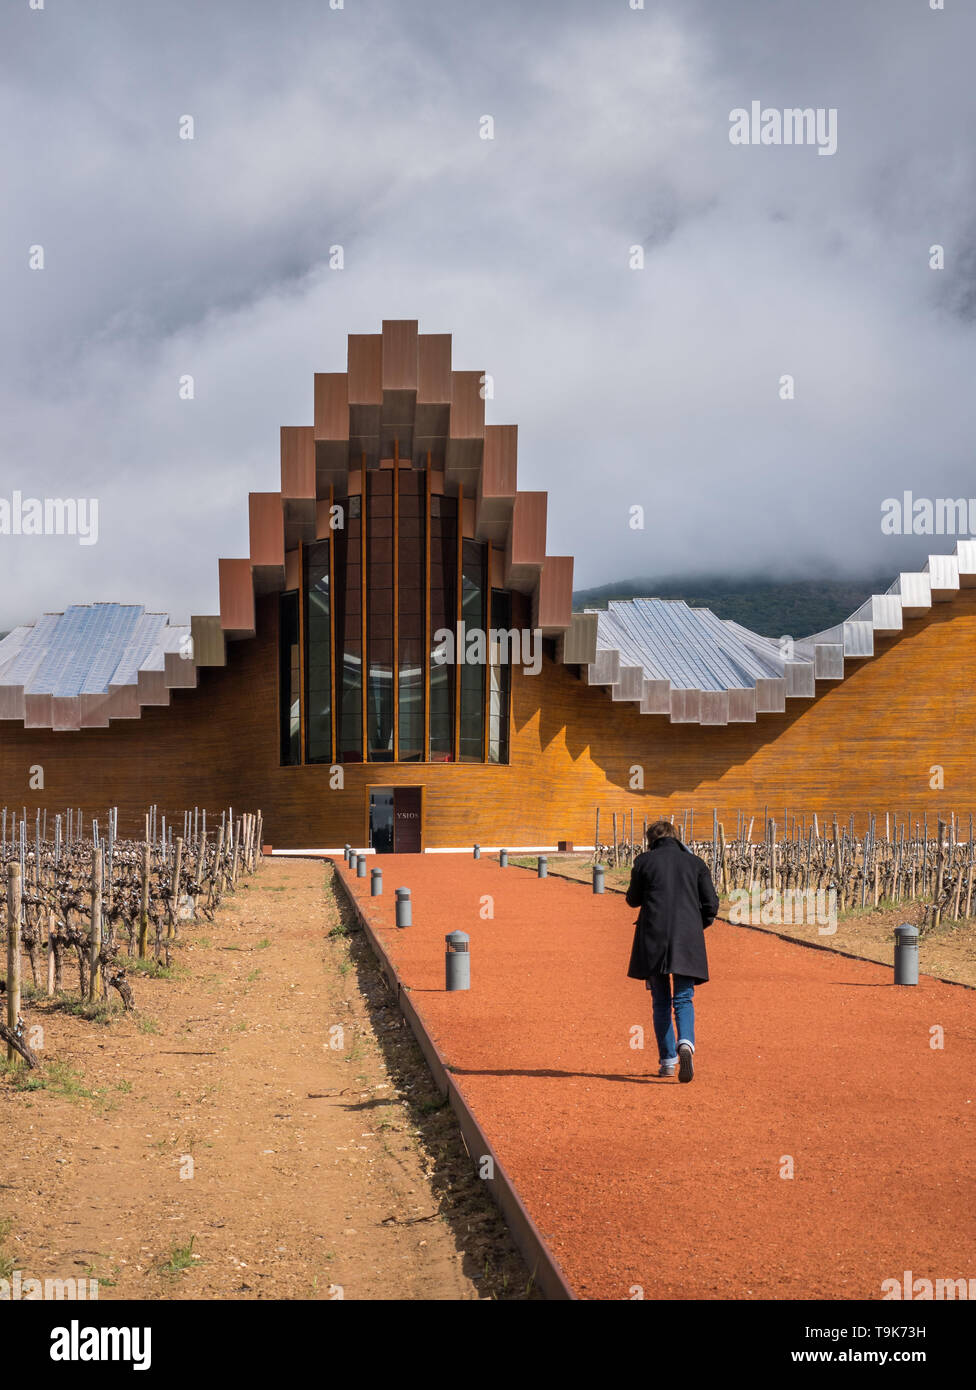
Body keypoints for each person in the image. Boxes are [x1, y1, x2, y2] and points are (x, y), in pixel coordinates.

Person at [625, 819, 719, 1083]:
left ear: (650, 840)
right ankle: (686, 1044)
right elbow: (711, 903)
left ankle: (668, 1061)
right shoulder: (696, 863)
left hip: (653, 936)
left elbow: (633, 900)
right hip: (687, 937)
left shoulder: (644, 861)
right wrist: (697, 925)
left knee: (660, 1000)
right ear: (676, 838)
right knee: (683, 998)